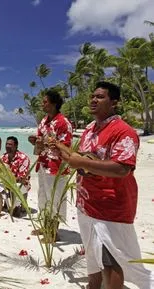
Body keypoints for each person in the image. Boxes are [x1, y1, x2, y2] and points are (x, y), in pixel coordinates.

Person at [56, 82, 154, 289]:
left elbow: (122, 168)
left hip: (111, 207)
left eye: (100, 97)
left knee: (111, 260)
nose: (93, 100)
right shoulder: (90, 130)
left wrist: (81, 162)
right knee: (93, 253)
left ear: (114, 103)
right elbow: (83, 160)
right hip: (87, 203)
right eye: (92, 96)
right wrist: (58, 150)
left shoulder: (123, 131)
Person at [28, 90, 72, 241]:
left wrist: (46, 143)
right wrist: (35, 140)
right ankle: (45, 226)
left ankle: (53, 232)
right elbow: (41, 140)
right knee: (43, 197)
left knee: (55, 198)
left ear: (53, 104)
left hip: (57, 167)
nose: (42, 104)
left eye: (45, 101)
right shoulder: (44, 121)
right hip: (43, 164)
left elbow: (66, 147)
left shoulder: (63, 123)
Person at [0, 136, 31, 217]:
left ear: (16, 146)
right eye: (6, 144)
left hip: (21, 184)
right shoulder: (3, 157)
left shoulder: (24, 158)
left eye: (10, 144)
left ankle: (19, 204)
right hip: (7, 182)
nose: (7, 146)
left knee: (17, 188)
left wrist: (8, 181)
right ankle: (3, 201)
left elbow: (22, 178)